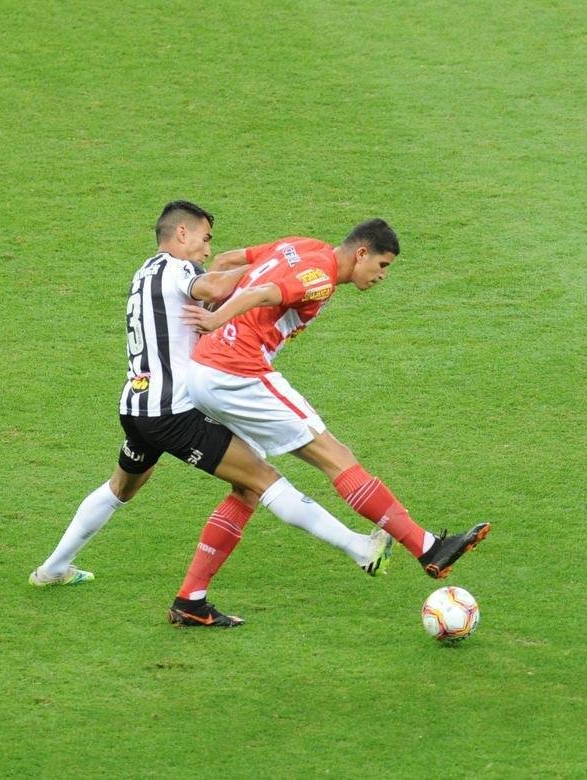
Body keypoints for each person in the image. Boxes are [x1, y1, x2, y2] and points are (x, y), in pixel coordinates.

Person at [29, 201, 394, 627]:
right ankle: (359, 548)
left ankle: (53, 568)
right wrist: (272, 268)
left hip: (137, 403)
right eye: (204, 239)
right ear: (181, 234)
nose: (206, 250)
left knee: (121, 488)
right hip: (173, 411)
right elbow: (215, 287)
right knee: (260, 481)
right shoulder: (176, 269)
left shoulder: (144, 273)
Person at [182, 218, 491, 579]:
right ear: (361, 254)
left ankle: (191, 597)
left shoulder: (299, 245)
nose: (382, 276)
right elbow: (264, 291)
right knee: (335, 455)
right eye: (382, 265)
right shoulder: (321, 276)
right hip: (236, 372)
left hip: (201, 370)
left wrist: (225, 310)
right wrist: (218, 318)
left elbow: (223, 261)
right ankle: (427, 548)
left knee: (249, 484)